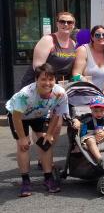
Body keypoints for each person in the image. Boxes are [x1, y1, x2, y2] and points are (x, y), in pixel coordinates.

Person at [6, 63, 67, 196]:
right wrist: (22, 137)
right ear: (36, 80)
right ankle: (25, 181)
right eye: (43, 79)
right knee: (23, 146)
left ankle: (48, 178)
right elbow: (16, 117)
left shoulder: (60, 93)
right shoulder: (25, 95)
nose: (47, 83)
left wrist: (50, 134)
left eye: (50, 79)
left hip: (38, 114)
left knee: (45, 143)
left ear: (55, 80)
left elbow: (57, 113)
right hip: (19, 116)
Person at [20, 12, 77, 88]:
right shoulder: (47, 40)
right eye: (62, 21)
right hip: (41, 85)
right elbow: (38, 68)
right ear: (57, 24)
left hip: (60, 86)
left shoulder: (73, 43)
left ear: (73, 25)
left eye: (69, 22)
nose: (66, 24)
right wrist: (49, 84)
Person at [72, 95, 104, 168]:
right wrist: (76, 121)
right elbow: (76, 118)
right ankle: (100, 160)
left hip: (102, 137)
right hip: (88, 138)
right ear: (91, 109)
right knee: (91, 140)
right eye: (95, 111)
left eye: (102, 111)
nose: (99, 113)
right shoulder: (88, 117)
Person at [72, 25, 104, 95]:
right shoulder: (83, 50)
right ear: (92, 37)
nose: (101, 37)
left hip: (99, 99)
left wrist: (102, 95)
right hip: (81, 97)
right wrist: (88, 83)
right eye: (97, 35)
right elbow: (75, 75)